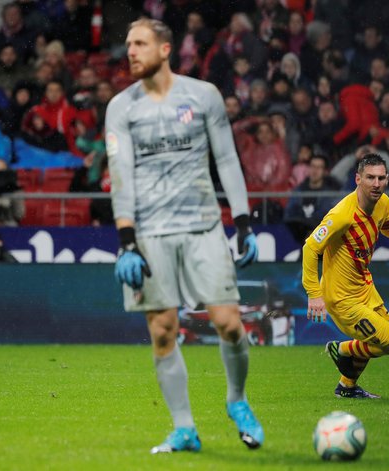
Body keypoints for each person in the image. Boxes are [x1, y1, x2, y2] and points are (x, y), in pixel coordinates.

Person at [106, 18, 263, 454]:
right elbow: (121, 177)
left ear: (165, 49)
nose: (130, 51)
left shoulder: (203, 95)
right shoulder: (121, 107)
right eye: (128, 44)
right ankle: (184, 428)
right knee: (163, 332)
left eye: (139, 43)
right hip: (150, 233)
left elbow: (227, 159)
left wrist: (244, 220)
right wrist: (126, 240)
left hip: (203, 227)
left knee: (230, 324)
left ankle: (236, 399)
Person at [302, 154, 389, 398]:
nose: (376, 184)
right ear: (357, 179)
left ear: (387, 179)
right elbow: (310, 248)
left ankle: (346, 386)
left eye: (381, 178)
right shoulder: (341, 214)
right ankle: (342, 350)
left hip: (364, 288)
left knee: (378, 339)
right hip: (341, 298)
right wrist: (314, 294)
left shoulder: (383, 203)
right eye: (370, 178)